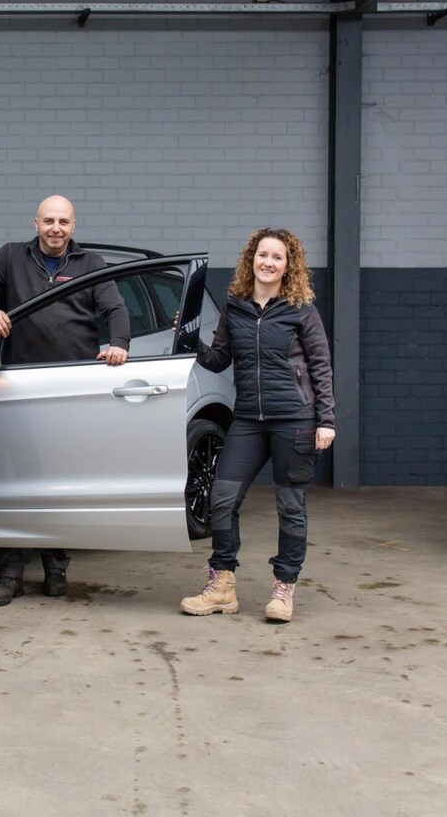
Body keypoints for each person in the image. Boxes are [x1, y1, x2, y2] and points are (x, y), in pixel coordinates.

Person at [0, 194, 130, 606]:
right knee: (17, 481)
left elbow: (116, 309)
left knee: (61, 480)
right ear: (35, 224)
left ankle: (56, 569)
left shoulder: (91, 264)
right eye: (48, 221)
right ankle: (11, 574)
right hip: (22, 386)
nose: (56, 228)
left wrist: (119, 343)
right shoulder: (11, 257)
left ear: (74, 225)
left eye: (63, 222)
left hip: (71, 388)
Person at [180, 227, 334, 623]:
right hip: (248, 418)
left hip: (295, 420)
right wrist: (190, 339)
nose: (268, 262)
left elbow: (320, 367)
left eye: (277, 257)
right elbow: (219, 359)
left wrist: (326, 420)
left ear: (288, 266)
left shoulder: (301, 310)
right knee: (222, 498)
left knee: (290, 505)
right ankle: (222, 585)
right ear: (252, 260)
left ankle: (284, 587)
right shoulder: (235, 308)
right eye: (262, 255)